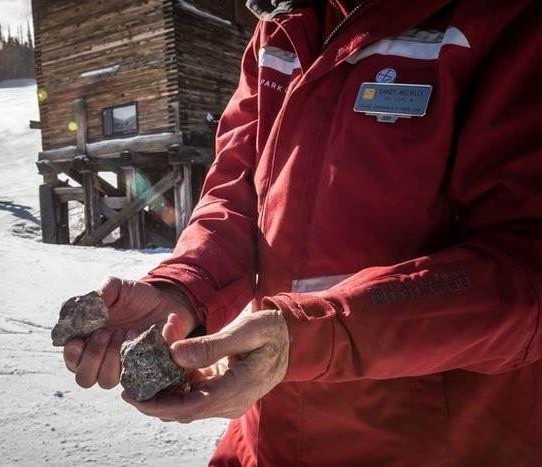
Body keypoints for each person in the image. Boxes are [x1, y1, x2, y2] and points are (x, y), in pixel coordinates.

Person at [61, 1, 542, 465]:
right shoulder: (279, 26)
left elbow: (526, 268)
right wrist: (184, 289)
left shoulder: (508, 20)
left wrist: (311, 336)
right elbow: (236, 193)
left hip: (437, 446)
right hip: (267, 438)